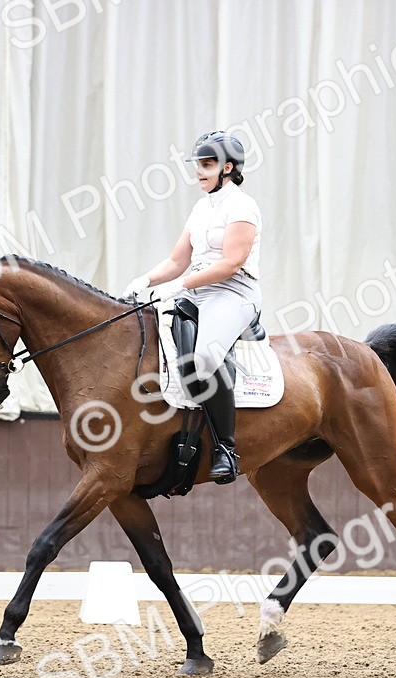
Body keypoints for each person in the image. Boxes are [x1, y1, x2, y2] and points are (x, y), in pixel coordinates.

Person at [122, 131, 262, 485]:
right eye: (198, 165)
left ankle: (225, 449)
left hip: (234, 292)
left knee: (205, 358)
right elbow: (177, 260)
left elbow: (230, 263)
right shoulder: (202, 207)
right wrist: (145, 281)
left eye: (207, 164)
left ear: (228, 168)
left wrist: (180, 285)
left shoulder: (242, 207)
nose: (199, 172)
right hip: (198, 290)